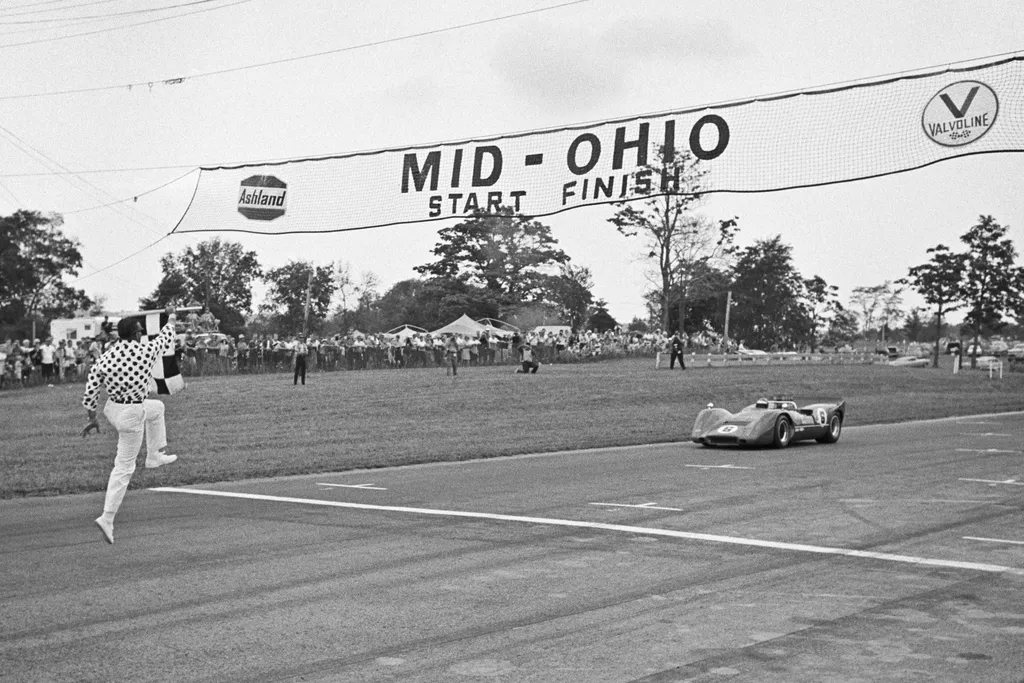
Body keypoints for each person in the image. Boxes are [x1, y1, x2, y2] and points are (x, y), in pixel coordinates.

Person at [82, 303, 180, 545]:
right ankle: (107, 517)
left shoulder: (105, 358)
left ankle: (155, 454)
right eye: (139, 331)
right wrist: (172, 315)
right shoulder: (146, 351)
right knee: (124, 468)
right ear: (136, 334)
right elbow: (167, 334)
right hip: (131, 413)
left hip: (113, 409)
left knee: (157, 408)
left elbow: (91, 390)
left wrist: (92, 418)